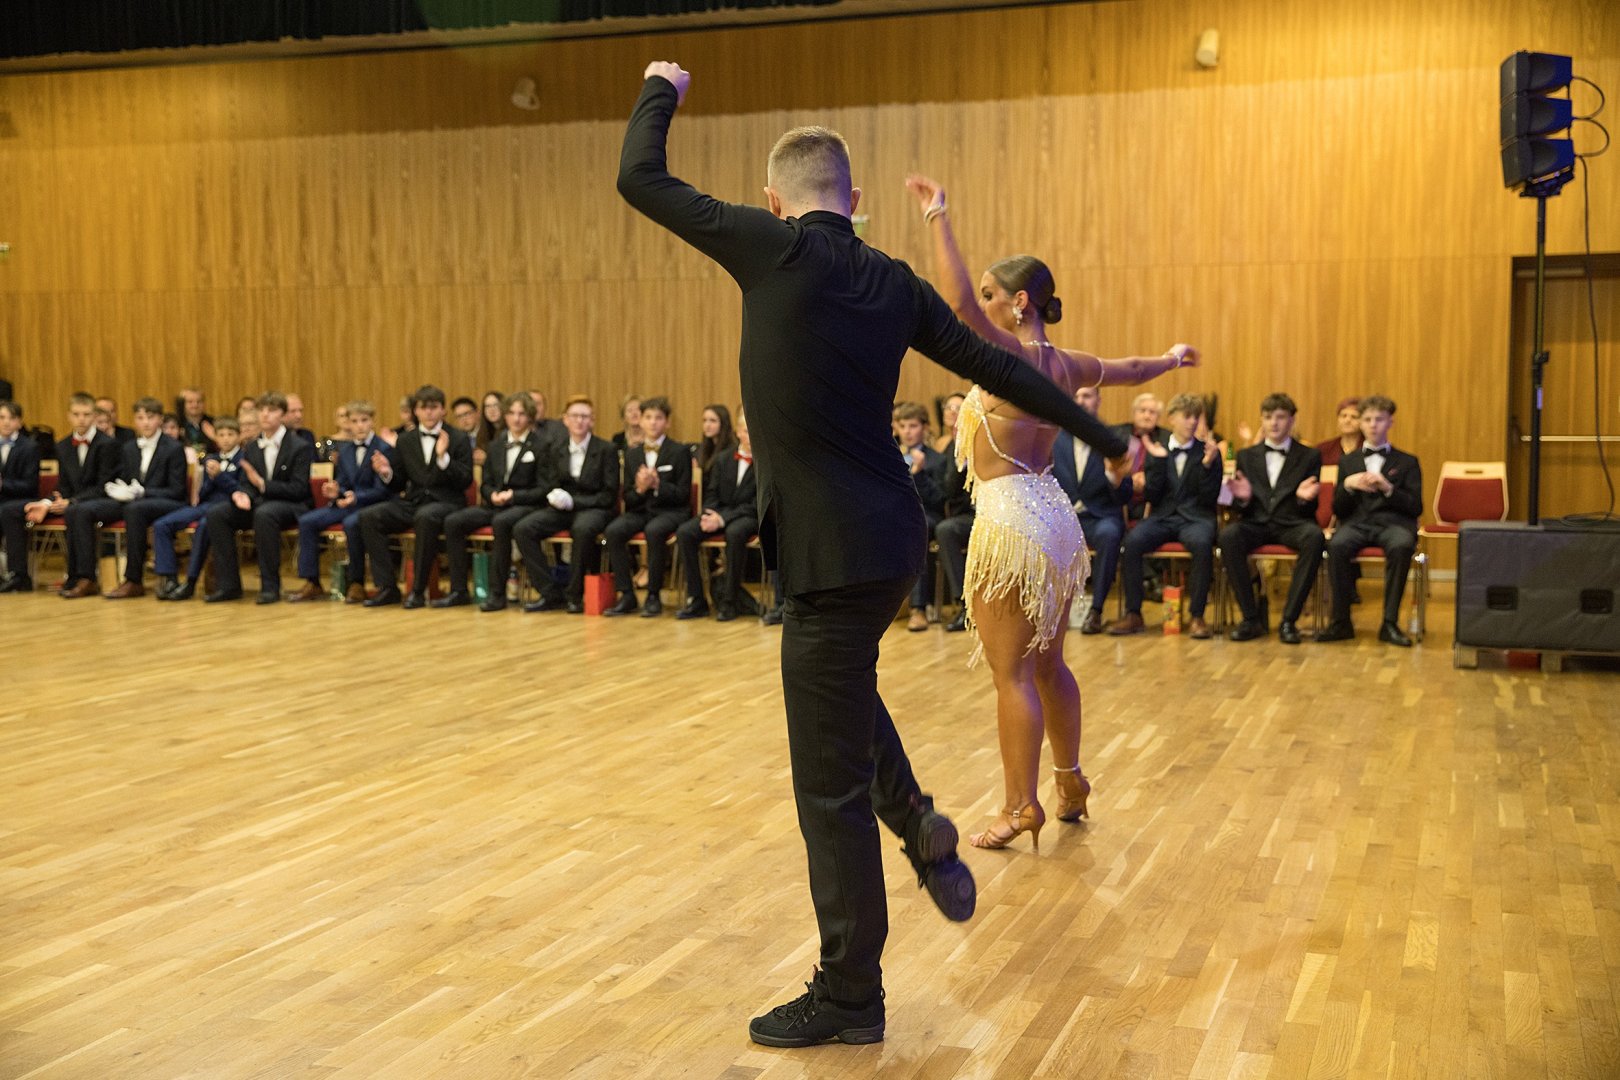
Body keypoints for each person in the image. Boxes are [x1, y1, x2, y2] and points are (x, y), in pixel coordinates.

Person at [621, 63, 1142, 1047]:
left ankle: (850, 992)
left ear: (775, 199)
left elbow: (638, 178)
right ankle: (918, 826)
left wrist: (662, 87)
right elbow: (999, 364)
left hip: (823, 552)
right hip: (893, 541)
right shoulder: (891, 280)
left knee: (827, 786)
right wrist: (1102, 433)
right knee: (846, 695)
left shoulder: (768, 245)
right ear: (854, 200)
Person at [906, 173, 1196, 858]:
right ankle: (1069, 783)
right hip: (1055, 518)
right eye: (984, 295)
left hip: (1012, 523)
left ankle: (1020, 805)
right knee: (1049, 666)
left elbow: (955, 304)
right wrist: (1171, 359)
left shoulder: (1008, 357)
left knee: (1012, 674)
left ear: (1019, 304)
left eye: (992, 295)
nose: (981, 305)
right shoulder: (1066, 363)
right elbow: (1128, 368)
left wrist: (938, 216)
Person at [1106, 393, 1223, 638]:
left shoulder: (1208, 452)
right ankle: (1134, 613)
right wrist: (1158, 463)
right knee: (1132, 542)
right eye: (1187, 416)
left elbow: (1209, 498)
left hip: (1195, 518)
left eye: (1196, 417)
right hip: (1163, 517)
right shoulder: (1157, 450)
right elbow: (1152, 495)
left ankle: (1197, 616)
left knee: (1202, 544)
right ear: (1172, 419)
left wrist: (1207, 465)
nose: (1192, 422)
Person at [1219, 393, 1325, 644]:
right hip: (1256, 522)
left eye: (1280, 417)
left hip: (1292, 522)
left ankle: (1289, 620)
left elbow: (1311, 506)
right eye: (1268, 417)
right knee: (1228, 536)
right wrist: (1244, 498)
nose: (1274, 423)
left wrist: (1302, 499)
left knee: (1314, 537)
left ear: (1292, 420)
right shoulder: (1246, 456)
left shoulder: (1310, 456)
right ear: (1262, 420)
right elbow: (1239, 504)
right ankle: (1250, 618)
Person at [1318, 395, 1422, 647]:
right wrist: (1347, 486)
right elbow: (1338, 509)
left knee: (1401, 546)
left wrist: (1388, 488)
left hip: (1393, 524)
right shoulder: (1348, 461)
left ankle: (1389, 623)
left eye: (1379, 419)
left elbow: (1415, 507)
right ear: (1361, 424)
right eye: (1367, 420)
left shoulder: (1407, 461)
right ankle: (1341, 622)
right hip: (1357, 523)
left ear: (1390, 422)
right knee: (1336, 545)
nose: (1373, 425)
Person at [359, 385, 474, 608]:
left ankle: (418, 591)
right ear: (416, 411)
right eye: (424, 407)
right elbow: (399, 481)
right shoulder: (406, 440)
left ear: (443, 410)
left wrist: (444, 459)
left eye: (434, 407)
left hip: (447, 502)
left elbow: (465, 480)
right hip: (415, 501)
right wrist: (386, 472)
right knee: (369, 516)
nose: (429, 412)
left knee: (425, 516)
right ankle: (387, 587)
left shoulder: (458, 438)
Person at [438, 393, 548, 609]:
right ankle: (459, 590)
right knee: (453, 521)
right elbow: (486, 483)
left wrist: (514, 496)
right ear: (505, 416)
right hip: (495, 504)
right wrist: (492, 495)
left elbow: (544, 488)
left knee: (502, 522)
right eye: (512, 413)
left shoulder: (541, 446)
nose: (516, 419)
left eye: (522, 414)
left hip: (525, 505)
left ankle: (497, 593)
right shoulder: (496, 445)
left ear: (530, 417)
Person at [511, 395, 620, 613]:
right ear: (565, 420)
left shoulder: (606, 449)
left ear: (592, 420)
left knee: (582, 529)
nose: (579, 421)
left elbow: (609, 495)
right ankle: (549, 591)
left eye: (584, 416)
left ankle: (574, 595)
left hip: (595, 508)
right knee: (523, 528)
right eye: (575, 416)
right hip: (563, 508)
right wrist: (555, 496)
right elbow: (550, 482)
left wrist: (574, 501)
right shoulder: (555, 447)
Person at [203, 392, 314, 603]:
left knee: (264, 514)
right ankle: (228, 585)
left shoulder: (299, 446)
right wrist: (242, 494)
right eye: (261, 410)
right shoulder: (253, 446)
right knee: (218, 514)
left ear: (282, 415)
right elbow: (247, 482)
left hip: (291, 504)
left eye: (271, 410)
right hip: (261, 502)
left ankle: (270, 586)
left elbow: (299, 489)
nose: (265, 415)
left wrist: (263, 485)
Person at [287, 401, 395, 603]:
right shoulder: (345, 450)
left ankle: (356, 583)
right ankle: (312, 582)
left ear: (372, 421)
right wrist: (337, 490)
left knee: (351, 524)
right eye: (354, 421)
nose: (359, 425)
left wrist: (356, 497)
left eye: (364, 420)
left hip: (372, 505)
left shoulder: (383, 448)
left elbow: (384, 489)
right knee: (307, 521)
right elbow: (344, 481)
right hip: (348, 503)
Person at [13, 394, 120, 595]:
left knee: (77, 510)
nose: (81, 419)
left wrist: (71, 501)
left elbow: (104, 485)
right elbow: (64, 486)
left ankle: (87, 578)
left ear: (94, 416)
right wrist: (47, 503)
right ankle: (69, 577)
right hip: (77, 504)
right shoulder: (62, 446)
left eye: (86, 414)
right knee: (70, 510)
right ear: (69, 416)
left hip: (107, 501)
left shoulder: (108, 444)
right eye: (76, 414)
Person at [1052, 385, 1132, 634]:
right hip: (1064, 517)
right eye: (1075, 396)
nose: (1080, 401)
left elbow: (1125, 495)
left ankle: (1096, 611)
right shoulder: (1055, 438)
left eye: (1086, 396)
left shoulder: (1112, 439)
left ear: (1098, 400)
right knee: (1038, 533)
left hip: (1100, 516)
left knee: (1109, 534)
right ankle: (1048, 610)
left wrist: (1114, 477)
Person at [602, 396, 692, 617]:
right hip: (641, 510)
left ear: (667, 422)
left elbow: (683, 495)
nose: (653, 422)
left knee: (655, 531)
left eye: (658, 418)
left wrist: (658, 485)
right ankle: (627, 594)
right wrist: (641, 489)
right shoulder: (632, 454)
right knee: (613, 531)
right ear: (640, 421)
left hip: (671, 511)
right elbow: (628, 498)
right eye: (648, 417)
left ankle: (653, 594)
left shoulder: (679, 451)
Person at [92, 398, 190, 599]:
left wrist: (143, 492)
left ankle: (133, 579)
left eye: (150, 417)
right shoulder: (129, 448)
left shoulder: (173, 447)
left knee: (134, 510)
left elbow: (177, 490)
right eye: (140, 418)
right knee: (91, 509)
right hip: (138, 502)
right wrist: (119, 489)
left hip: (169, 502)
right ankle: (85, 577)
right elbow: (125, 478)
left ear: (160, 419)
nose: (145, 423)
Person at [675, 404, 759, 620]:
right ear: (738, 432)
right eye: (747, 431)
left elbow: (756, 504)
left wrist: (722, 519)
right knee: (685, 532)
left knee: (735, 532)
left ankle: (729, 601)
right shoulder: (723, 459)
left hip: (748, 516)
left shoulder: (765, 462)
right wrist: (711, 515)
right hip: (721, 512)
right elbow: (711, 493)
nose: (751, 436)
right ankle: (697, 599)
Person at [151, 414, 244, 601]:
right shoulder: (212, 458)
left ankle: (191, 581)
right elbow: (204, 493)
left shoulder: (243, 458)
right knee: (162, 525)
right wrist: (209, 478)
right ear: (215, 438)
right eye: (221, 435)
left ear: (239, 436)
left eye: (230, 434)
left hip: (226, 508)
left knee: (204, 526)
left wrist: (220, 476)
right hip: (206, 505)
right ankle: (169, 579)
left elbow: (240, 491)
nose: (226, 439)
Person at [893, 401, 945, 631]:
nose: (907, 432)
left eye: (913, 426)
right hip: (894, 516)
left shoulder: (936, 459)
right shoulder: (890, 455)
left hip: (925, 515)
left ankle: (918, 609)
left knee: (915, 529)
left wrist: (920, 474)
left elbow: (939, 499)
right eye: (903, 426)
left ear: (924, 427)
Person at [0, 400, 42, 592]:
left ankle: (19, 575)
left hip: (22, 499)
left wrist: (3, 485)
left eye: (11, 418)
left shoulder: (30, 447)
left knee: (7, 512)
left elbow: (30, 485)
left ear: (19, 422)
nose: (6, 422)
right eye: (2, 417)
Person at [1316, 396, 1364, 468]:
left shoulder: (1369, 448)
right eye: (1343, 416)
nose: (1347, 420)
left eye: (1354, 417)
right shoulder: (1323, 449)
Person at [694, 403, 735, 475]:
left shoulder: (731, 450)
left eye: (713, 421)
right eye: (704, 420)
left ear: (723, 423)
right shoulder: (702, 448)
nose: (707, 425)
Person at [177, 387, 216, 454]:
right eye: (190, 402)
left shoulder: (213, 423)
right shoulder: (177, 424)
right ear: (182, 404)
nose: (195, 405)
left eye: (199, 401)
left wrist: (214, 437)